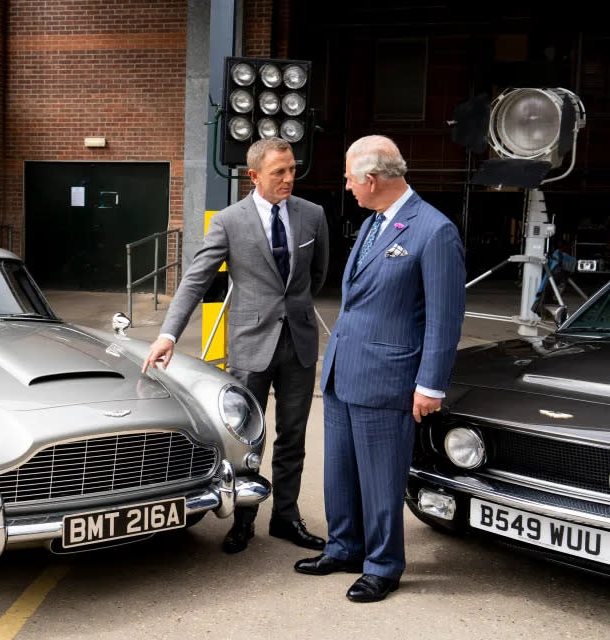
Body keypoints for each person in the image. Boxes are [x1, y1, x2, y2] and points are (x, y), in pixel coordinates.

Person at [294, 135, 466, 602]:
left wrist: (430, 383)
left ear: (372, 179)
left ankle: (383, 565)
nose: (346, 186)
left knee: (381, 478)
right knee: (340, 474)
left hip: (388, 378)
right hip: (343, 373)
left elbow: (445, 317)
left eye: (349, 178)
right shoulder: (373, 222)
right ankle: (345, 546)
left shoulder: (434, 230)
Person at [142, 137, 329, 554]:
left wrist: (292, 309)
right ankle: (244, 521)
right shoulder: (229, 221)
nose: (288, 178)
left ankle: (286, 518)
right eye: (278, 171)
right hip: (250, 345)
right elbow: (196, 278)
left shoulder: (312, 215)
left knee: (293, 436)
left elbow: (317, 276)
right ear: (253, 176)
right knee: (247, 438)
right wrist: (168, 334)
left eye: (292, 169)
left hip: (298, 342)